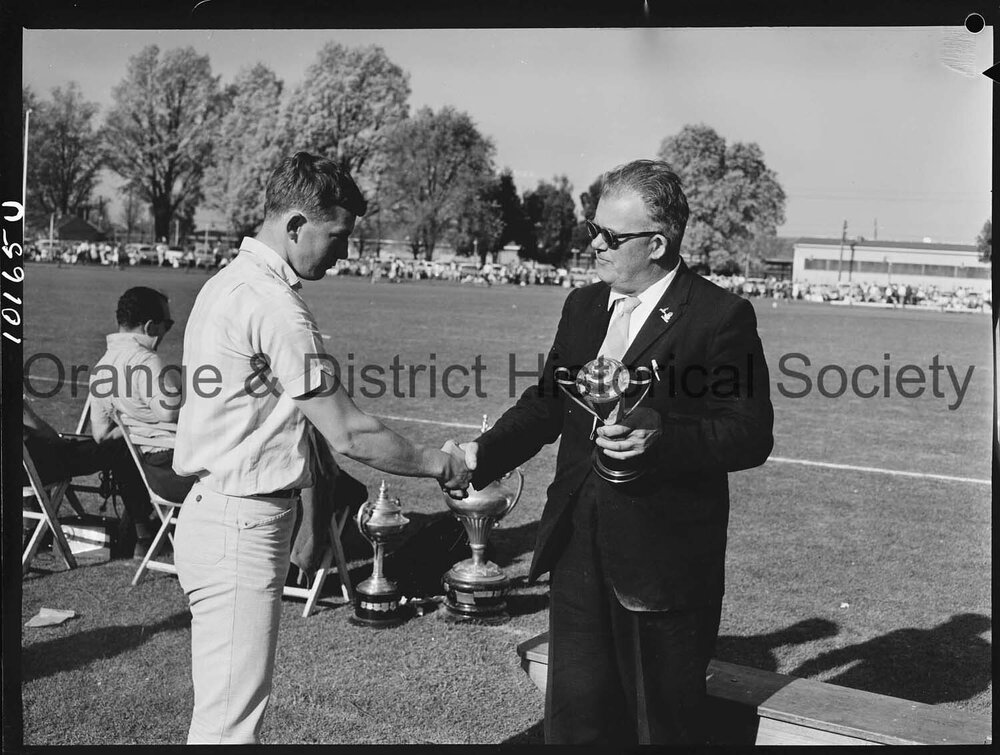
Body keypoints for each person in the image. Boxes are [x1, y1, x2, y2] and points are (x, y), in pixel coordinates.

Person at [448, 160, 774, 745]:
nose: (593, 244)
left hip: (664, 564)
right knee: (575, 727)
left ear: (657, 243)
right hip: (578, 546)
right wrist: (480, 456)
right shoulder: (582, 307)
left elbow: (750, 433)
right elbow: (548, 404)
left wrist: (662, 438)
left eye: (611, 236)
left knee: (661, 731)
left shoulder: (720, 316)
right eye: (592, 229)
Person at [171, 151, 471, 745]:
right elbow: (349, 432)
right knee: (229, 726)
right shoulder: (274, 305)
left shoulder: (230, 283)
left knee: (228, 715)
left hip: (225, 513)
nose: (343, 254)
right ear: (294, 226)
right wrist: (441, 464)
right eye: (335, 237)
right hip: (240, 521)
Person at [89, 287, 198, 514]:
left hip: (148, 470)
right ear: (150, 327)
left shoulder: (100, 368)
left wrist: (130, 420)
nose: (167, 331)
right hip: (178, 471)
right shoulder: (146, 361)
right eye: (167, 325)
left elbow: (101, 435)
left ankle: (142, 538)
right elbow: (168, 412)